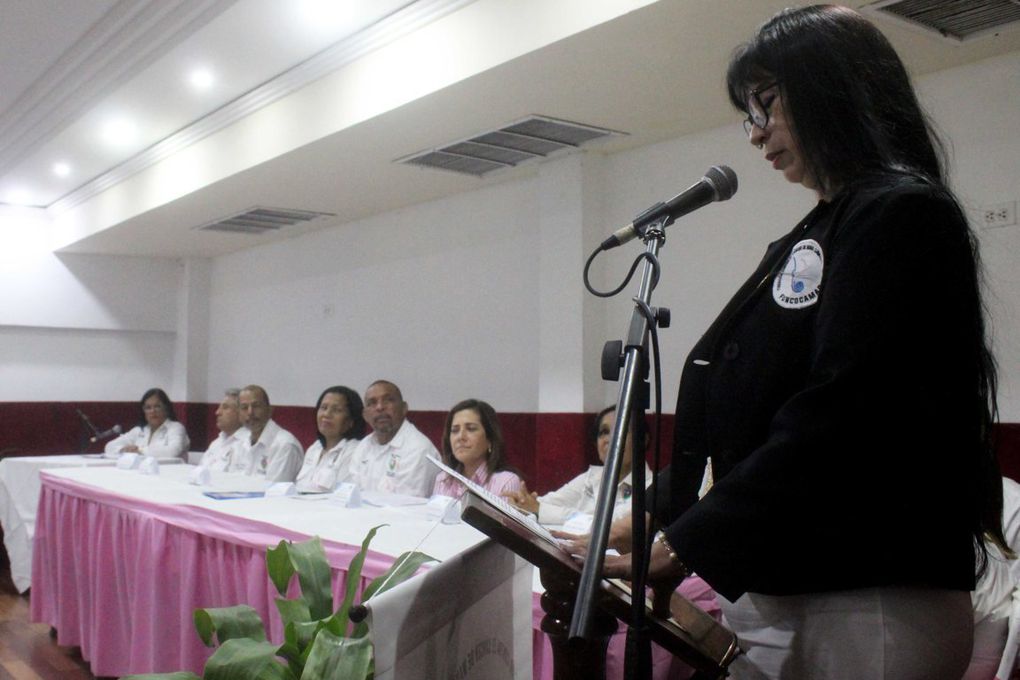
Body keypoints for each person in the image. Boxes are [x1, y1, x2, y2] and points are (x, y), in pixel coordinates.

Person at [597, 6, 1008, 679]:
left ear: (834, 89)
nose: (755, 134)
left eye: (765, 102)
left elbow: (843, 412)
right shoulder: (819, 230)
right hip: (797, 594)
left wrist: (686, 540)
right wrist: (653, 515)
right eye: (747, 113)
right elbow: (750, 415)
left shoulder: (901, 214)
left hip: (867, 596)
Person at [504, 405, 652, 529]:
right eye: (603, 432)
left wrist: (539, 510)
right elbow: (547, 502)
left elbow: (606, 525)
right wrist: (522, 503)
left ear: (642, 440)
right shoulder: (592, 477)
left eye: (619, 431)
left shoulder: (651, 487)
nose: (609, 439)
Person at [348, 380, 439, 497]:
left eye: (388, 400)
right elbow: (351, 496)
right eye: (372, 402)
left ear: (404, 408)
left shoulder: (418, 449)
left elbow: (409, 507)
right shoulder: (363, 446)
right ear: (365, 415)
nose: (380, 407)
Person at [433, 399, 523, 497]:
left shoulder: (506, 482)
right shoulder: (443, 480)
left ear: (490, 439)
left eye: (471, 429)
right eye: (455, 430)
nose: (460, 437)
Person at [294, 386, 367, 493]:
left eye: (336, 410)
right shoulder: (314, 448)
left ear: (351, 421)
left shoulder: (354, 451)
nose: (326, 414)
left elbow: (342, 495)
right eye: (323, 408)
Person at [239, 384, 303, 483]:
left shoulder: (285, 445)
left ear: (269, 410)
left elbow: (274, 492)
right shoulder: (240, 442)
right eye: (244, 407)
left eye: (256, 406)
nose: (250, 412)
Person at [104, 387, 189, 458]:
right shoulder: (139, 430)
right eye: (148, 408)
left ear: (166, 408)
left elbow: (172, 451)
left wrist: (140, 450)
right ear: (143, 411)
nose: (153, 411)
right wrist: (124, 450)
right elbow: (109, 447)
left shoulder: (176, 428)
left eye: (157, 406)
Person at [198, 388, 250, 472]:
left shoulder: (248, 444)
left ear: (241, 412)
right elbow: (199, 471)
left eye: (225, 408)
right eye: (219, 407)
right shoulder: (216, 443)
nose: (217, 412)